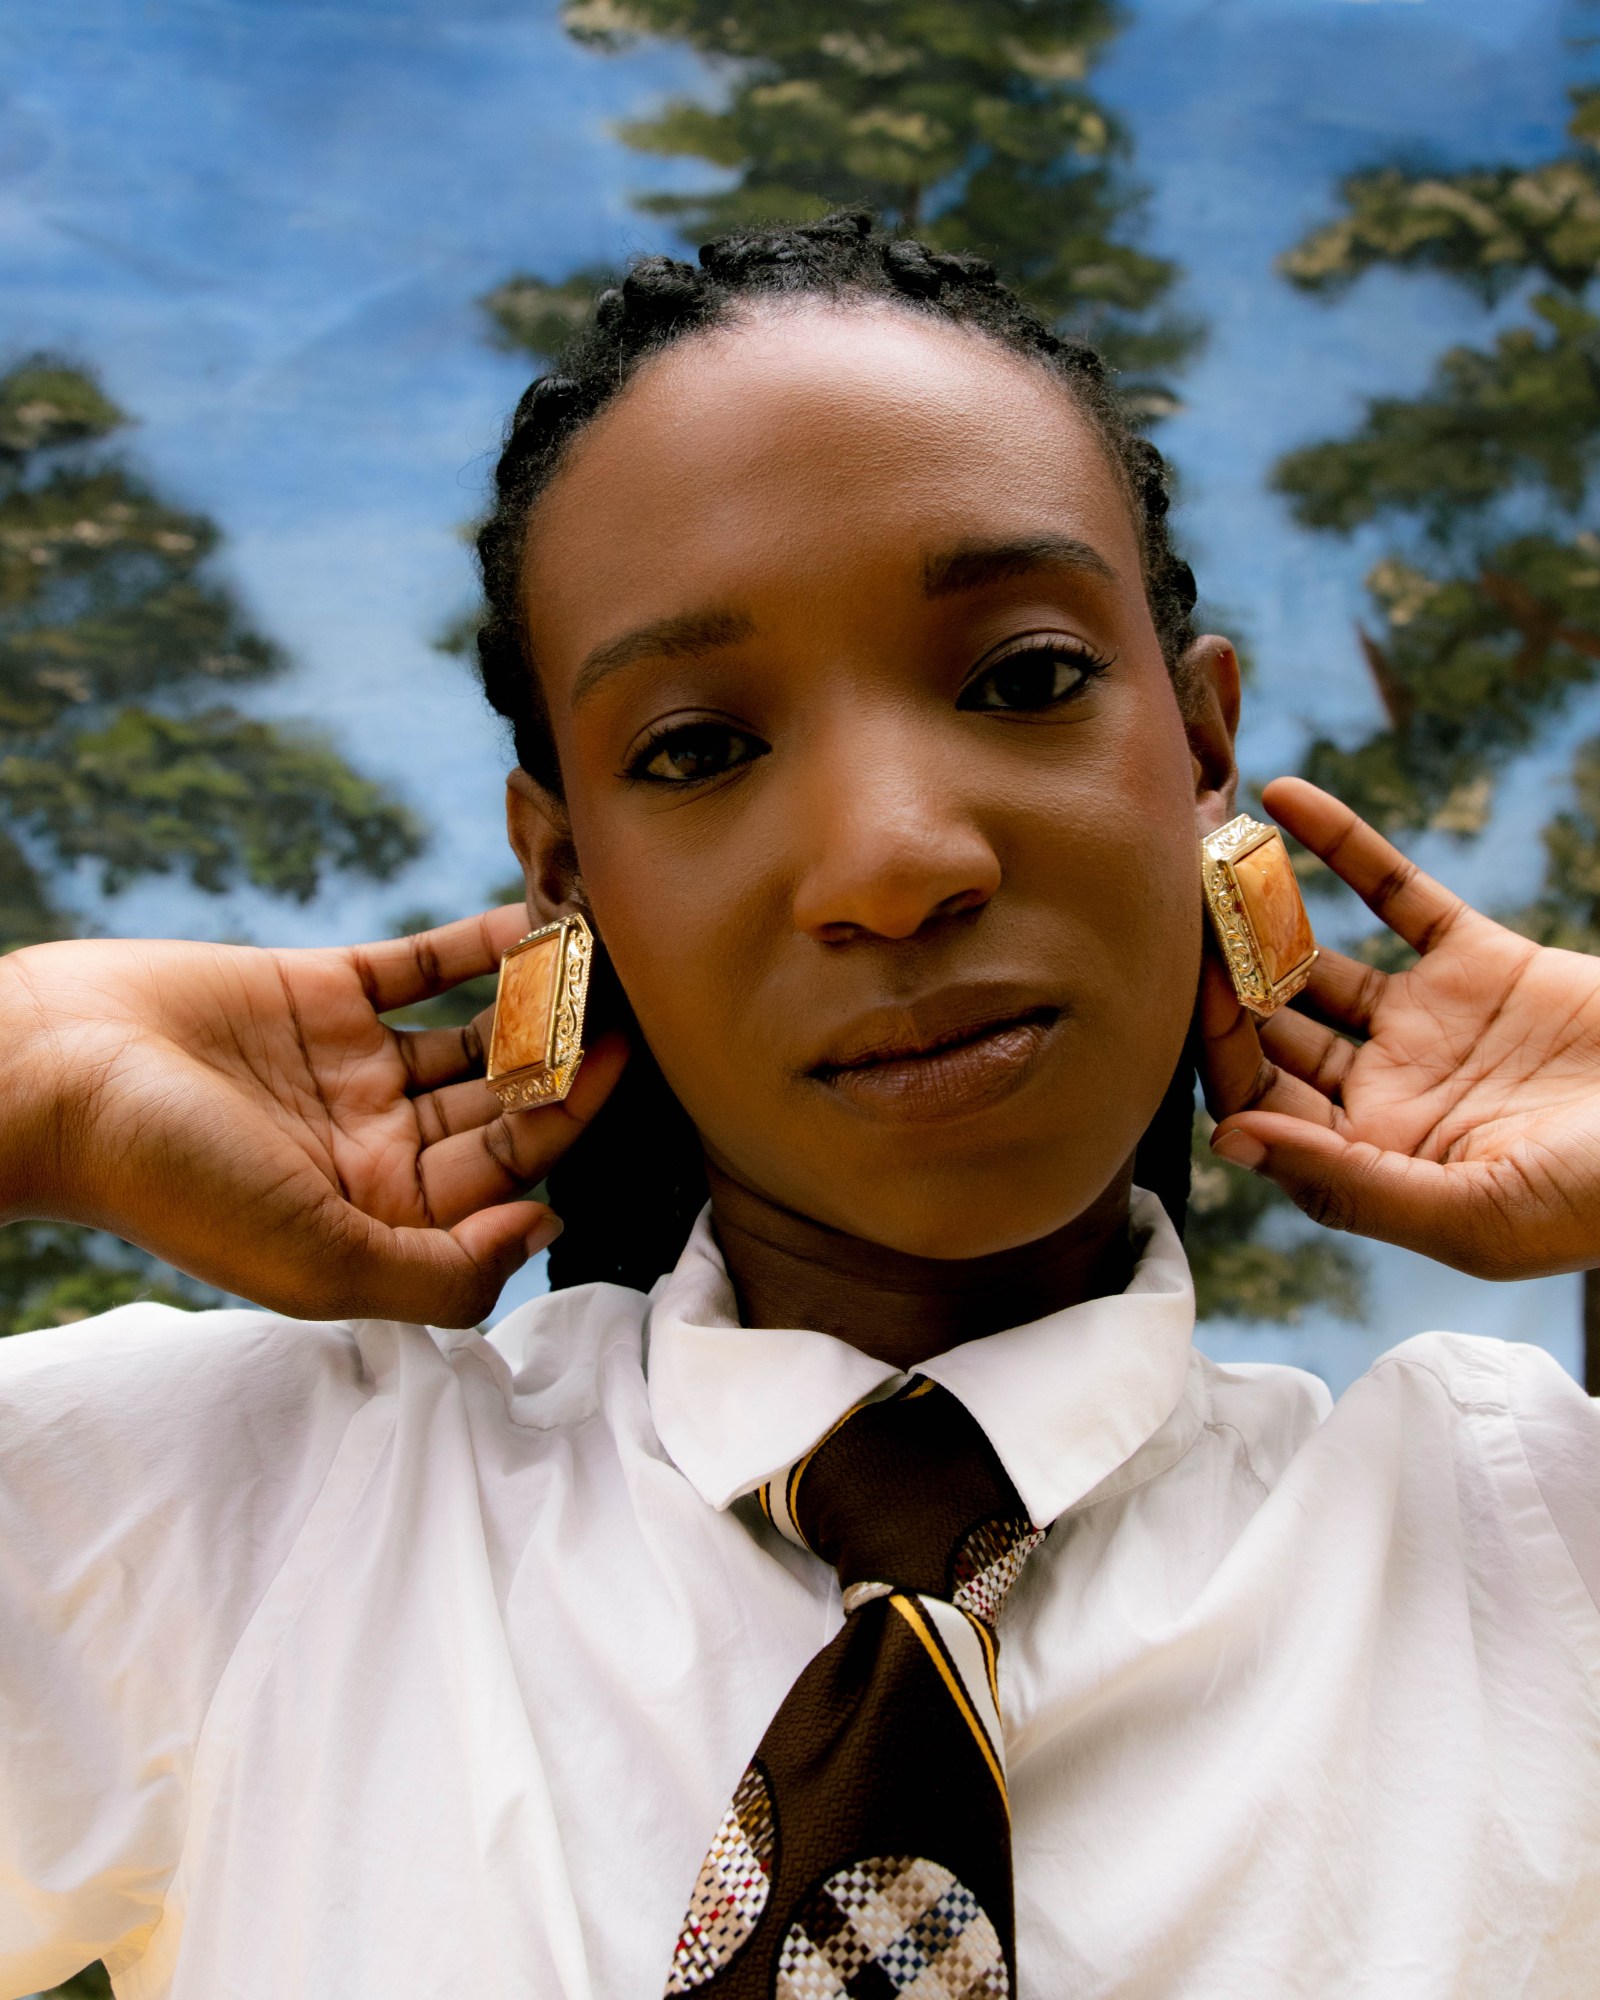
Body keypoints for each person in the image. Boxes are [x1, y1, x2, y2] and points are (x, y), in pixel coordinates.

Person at [0, 212, 1596, 2000]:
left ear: (1202, 748)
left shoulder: (1525, 1549)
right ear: (563, 874)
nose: (893, 863)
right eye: (695, 749)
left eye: (1026, 678)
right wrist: (32, 1075)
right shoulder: (233, 1520)